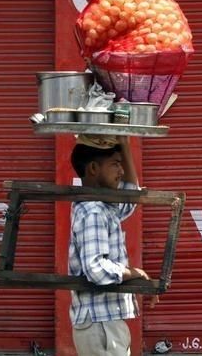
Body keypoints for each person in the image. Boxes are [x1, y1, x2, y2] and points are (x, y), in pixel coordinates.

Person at [68, 135, 151, 356]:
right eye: (115, 164)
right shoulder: (94, 211)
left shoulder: (104, 207)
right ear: (93, 168)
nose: (121, 171)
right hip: (100, 325)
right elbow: (95, 268)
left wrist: (124, 145)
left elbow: (130, 196)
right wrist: (134, 273)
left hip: (103, 323)